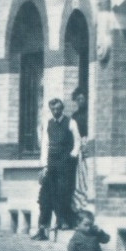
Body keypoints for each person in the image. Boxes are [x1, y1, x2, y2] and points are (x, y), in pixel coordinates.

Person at [36, 97, 82, 239]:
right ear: (50, 110)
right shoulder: (48, 124)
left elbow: (77, 141)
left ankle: (63, 221)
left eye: (58, 109)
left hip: (65, 163)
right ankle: (42, 228)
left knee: (62, 192)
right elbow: (45, 144)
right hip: (51, 163)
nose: (56, 111)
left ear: (62, 109)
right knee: (45, 195)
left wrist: (72, 156)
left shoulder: (70, 122)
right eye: (53, 109)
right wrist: (44, 165)